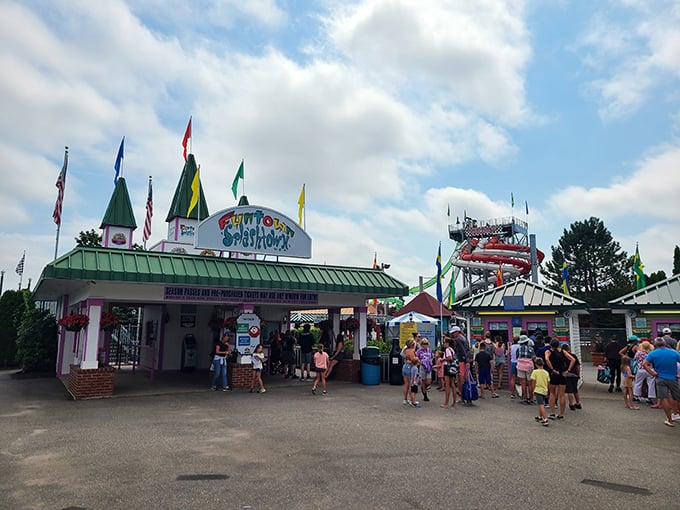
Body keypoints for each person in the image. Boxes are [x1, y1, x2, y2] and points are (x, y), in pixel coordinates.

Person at [642, 338, 680, 427]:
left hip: (660, 377)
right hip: (673, 377)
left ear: (655, 345)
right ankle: (677, 413)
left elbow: (644, 364)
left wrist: (652, 372)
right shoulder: (673, 352)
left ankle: (669, 419)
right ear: (665, 344)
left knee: (664, 398)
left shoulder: (653, 353)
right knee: (677, 397)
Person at [545, 339, 575, 420]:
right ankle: (561, 414)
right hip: (562, 373)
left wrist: (552, 369)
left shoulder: (548, 351)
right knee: (562, 394)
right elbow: (573, 359)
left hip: (554, 374)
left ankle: (552, 413)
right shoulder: (563, 351)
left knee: (552, 393)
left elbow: (547, 359)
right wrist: (568, 370)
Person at [632, 340, 656, 406]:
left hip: (640, 369)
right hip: (650, 369)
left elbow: (635, 359)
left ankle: (636, 396)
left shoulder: (639, 353)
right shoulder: (651, 353)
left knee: (638, 382)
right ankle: (650, 398)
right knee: (651, 383)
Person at [451, 326, 470, 403]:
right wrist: (468, 360)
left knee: (461, 379)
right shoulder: (464, 338)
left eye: (453, 333)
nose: (452, 334)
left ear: (456, 332)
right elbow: (468, 350)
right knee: (466, 378)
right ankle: (467, 395)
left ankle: (462, 396)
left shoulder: (458, 339)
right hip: (466, 360)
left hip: (462, 361)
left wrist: (465, 360)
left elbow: (462, 351)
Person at [561, 343, 582, 410]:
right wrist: (578, 374)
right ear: (568, 349)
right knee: (575, 390)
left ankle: (571, 404)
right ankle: (578, 403)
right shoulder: (574, 356)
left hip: (567, 374)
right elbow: (578, 366)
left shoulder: (562, 357)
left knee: (569, 390)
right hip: (574, 374)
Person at [516, 335, 535, 404]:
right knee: (530, 383)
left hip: (521, 366)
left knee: (523, 383)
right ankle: (531, 398)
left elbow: (517, 356)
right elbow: (534, 357)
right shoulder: (531, 348)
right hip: (529, 366)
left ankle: (524, 398)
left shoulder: (519, 349)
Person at [530, 358, 550, 426]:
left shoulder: (535, 372)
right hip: (544, 390)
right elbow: (548, 382)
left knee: (541, 405)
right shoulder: (546, 373)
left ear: (536, 364)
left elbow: (533, 382)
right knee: (541, 403)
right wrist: (547, 390)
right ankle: (540, 416)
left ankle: (545, 418)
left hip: (538, 390)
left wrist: (533, 390)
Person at [401, 339, 420, 407]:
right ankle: (412, 400)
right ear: (412, 345)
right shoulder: (412, 351)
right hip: (410, 368)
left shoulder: (406, 351)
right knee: (411, 384)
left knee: (406, 384)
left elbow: (406, 359)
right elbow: (413, 360)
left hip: (405, 367)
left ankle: (405, 399)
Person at [440, 337, 457, 409]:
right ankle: (454, 402)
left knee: (447, 385)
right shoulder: (452, 349)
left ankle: (446, 403)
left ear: (447, 343)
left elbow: (449, 358)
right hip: (453, 367)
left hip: (447, 367)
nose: (443, 344)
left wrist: (443, 359)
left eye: (444, 342)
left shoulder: (447, 350)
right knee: (452, 384)